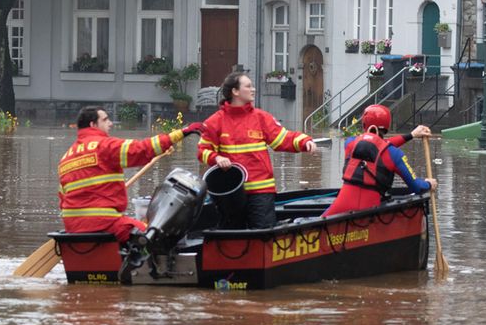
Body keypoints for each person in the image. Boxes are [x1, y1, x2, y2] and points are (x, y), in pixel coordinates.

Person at [58, 106, 202, 243]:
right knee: (153, 236)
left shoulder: (65, 158)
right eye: (105, 119)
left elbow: (62, 197)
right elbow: (140, 149)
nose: (110, 123)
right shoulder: (104, 146)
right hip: (103, 223)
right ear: (93, 124)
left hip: (73, 226)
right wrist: (181, 133)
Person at [198, 72, 317, 229]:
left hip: (261, 191)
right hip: (231, 194)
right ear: (235, 91)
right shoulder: (215, 122)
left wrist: (303, 141)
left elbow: (281, 139)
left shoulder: (261, 118)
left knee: (263, 235)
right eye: (248, 86)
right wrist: (216, 158)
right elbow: (202, 151)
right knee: (232, 235)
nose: (253, 89)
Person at [322, 104, 437, 217]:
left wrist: (411, 135)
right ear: (387, 126)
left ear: (364, 124)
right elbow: (417, 187)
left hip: (340, 207)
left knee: (323, 219)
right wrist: (428, 184)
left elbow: (378, 144)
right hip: (370, 212)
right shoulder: (395, 154)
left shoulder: (350, 143)